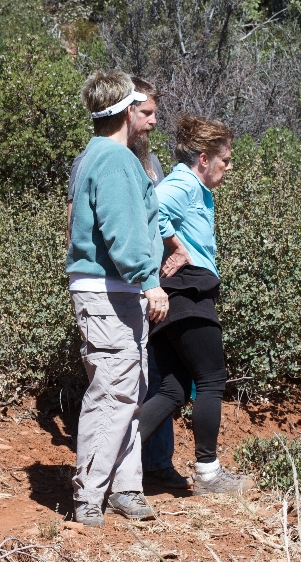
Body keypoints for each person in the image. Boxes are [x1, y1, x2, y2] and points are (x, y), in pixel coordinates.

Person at [65, 77, 189, 491]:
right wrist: (149, 281)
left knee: (124, 391)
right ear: (125, 109)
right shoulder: (116, 160)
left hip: (107, 289)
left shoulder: (92, 156)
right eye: (145, 110)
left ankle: (124, 487)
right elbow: (123, 231)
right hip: (111, 290)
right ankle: (90, 492)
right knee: (114, 394)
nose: (152, 120)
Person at [137, 116, 254, 495]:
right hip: (187, 291)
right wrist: (177, 247)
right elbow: (151, 211)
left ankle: (117, 458)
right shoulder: (184, 185)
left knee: (173, 390)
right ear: (204, 158)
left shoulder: (197, 189)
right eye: (225, 160)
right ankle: (208, 473)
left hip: (176, 294)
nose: (229, 167)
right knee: (211, 379)